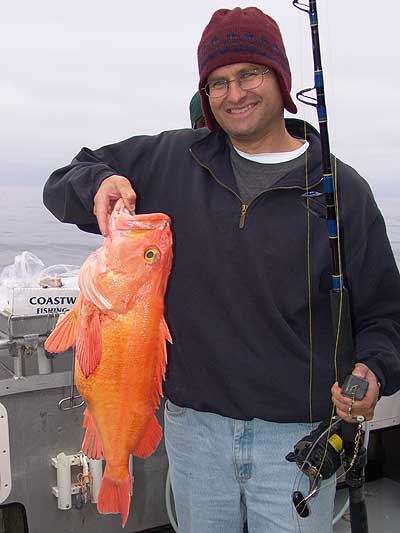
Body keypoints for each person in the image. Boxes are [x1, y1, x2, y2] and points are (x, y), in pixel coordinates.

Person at [43, 7, 400, 533]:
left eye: (249, 74)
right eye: (217, 82)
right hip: (194, 435)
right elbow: (63, 180)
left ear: (281, 77)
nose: (234, 94)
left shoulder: (341, 191)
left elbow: (385, 315)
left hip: (296, 440)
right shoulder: (170, 159)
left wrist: (374, 370)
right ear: (205, 94)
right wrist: (97, 184)